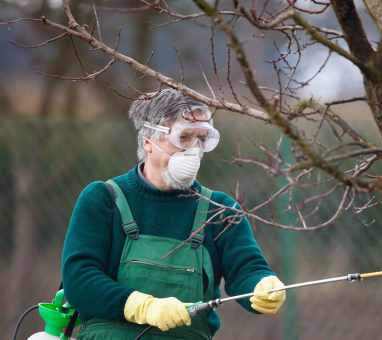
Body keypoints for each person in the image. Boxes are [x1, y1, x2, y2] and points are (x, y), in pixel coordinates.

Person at [61, 88, 286, 339]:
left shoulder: (220, 210)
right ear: (148, 141)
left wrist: (262, 285)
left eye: (201, 139)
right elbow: (78, 280)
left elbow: (246, 268)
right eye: (184, 137)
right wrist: (143, 307)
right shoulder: (104, 199)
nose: (194, 149)